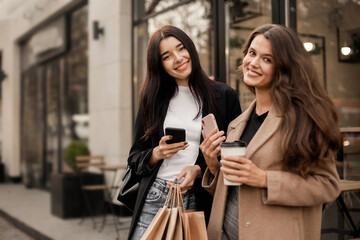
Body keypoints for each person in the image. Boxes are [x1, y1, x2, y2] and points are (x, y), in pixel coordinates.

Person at [200, 24, 341, 240]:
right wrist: (213, 166)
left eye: (267, 59)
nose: (254, 63)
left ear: (285, 68)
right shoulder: (236, 124)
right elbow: (235, 192)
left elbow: (328, 186)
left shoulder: (304, 120)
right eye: (252, 53)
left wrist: (265, 179)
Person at [127, 25, 241, 239]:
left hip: (199, 198)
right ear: (159, 65)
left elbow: (235, 153)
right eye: (167, 56)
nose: (178, 58)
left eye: (181, 48)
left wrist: (199, 169)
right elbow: (134, 159)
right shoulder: (152, 101)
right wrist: (157, 153)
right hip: (155, 196)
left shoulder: (224, 96)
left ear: (191, 49)